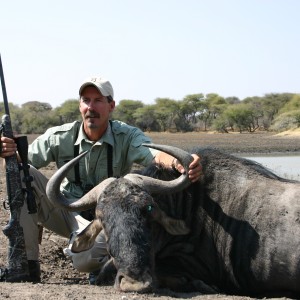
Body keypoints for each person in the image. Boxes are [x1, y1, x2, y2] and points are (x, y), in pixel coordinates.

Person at [0, 76, 202, 283]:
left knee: (83, 260)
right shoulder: (59, 136)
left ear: (111, 105)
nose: (91, 107)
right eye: (86, 100)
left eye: (98, 100)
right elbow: (17, 166)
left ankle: (110, 263)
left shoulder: (127, 135)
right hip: (67, 209)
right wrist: (8, 152)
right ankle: (25, 265)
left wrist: (178, 162)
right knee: (24, 176)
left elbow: (154, 155)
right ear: (80, 105)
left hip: (109, 217)